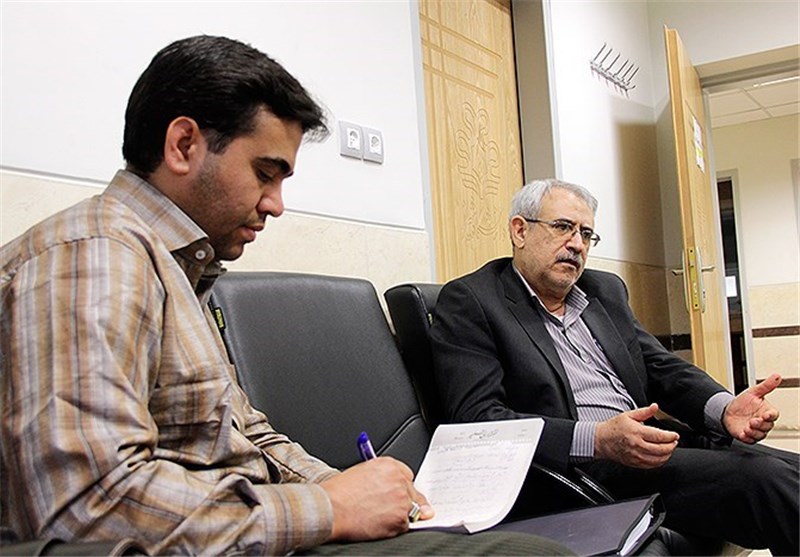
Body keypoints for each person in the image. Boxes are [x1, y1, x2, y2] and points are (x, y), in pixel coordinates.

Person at [0, 36, 573, 556]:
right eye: (264, 173)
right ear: (183, 145)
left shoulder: (173, 269)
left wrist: (345, 487)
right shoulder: (94, 256)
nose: (276, 204)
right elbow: (89, 506)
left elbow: (246, 434)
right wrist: (328, 508)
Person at [430, 178, 799, 556]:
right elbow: (478, 418)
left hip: (649, 443)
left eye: (586, 234)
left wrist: (724, 408)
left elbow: (658, 366)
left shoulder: (603, 290)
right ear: (520, 230)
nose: (576, 244)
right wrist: (597, 439)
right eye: (563, 227)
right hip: (580, 469)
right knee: (765, 480)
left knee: (791, 469)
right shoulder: (472, 301)